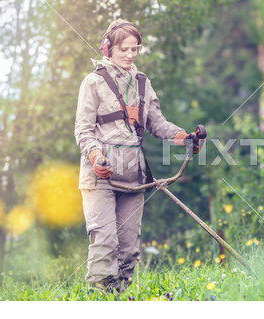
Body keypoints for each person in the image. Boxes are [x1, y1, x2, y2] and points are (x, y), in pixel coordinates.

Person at [74, 19, 204, 293]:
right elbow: (83, 131)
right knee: (105, 242)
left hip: (134, 177)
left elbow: (157, 123)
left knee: (129, 247)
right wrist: (97, 157)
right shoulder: (93, 82)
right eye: (124, 49)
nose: (130, 55)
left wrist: (184, 137)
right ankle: (99, 300)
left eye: (135, 49)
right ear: (108, 48)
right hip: (100, 179)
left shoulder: (142, 83)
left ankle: (120, 299)